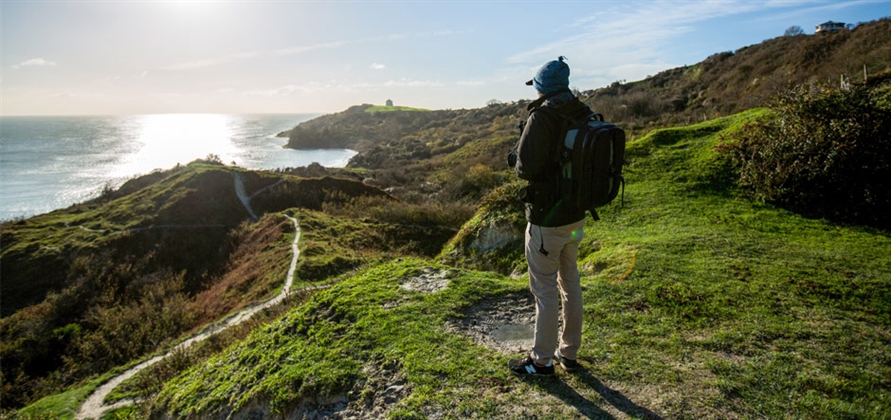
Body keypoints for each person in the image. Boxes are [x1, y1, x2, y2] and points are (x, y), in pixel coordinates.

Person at [508, 56, 592, 375]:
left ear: (542, 87)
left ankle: (541, 360)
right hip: (576, 216)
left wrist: (515, 159)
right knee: (570, 282)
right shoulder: (582, 113)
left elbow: (525, 168)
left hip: (547, 219)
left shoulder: (543, 117)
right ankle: (568, 353)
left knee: (544, 290)